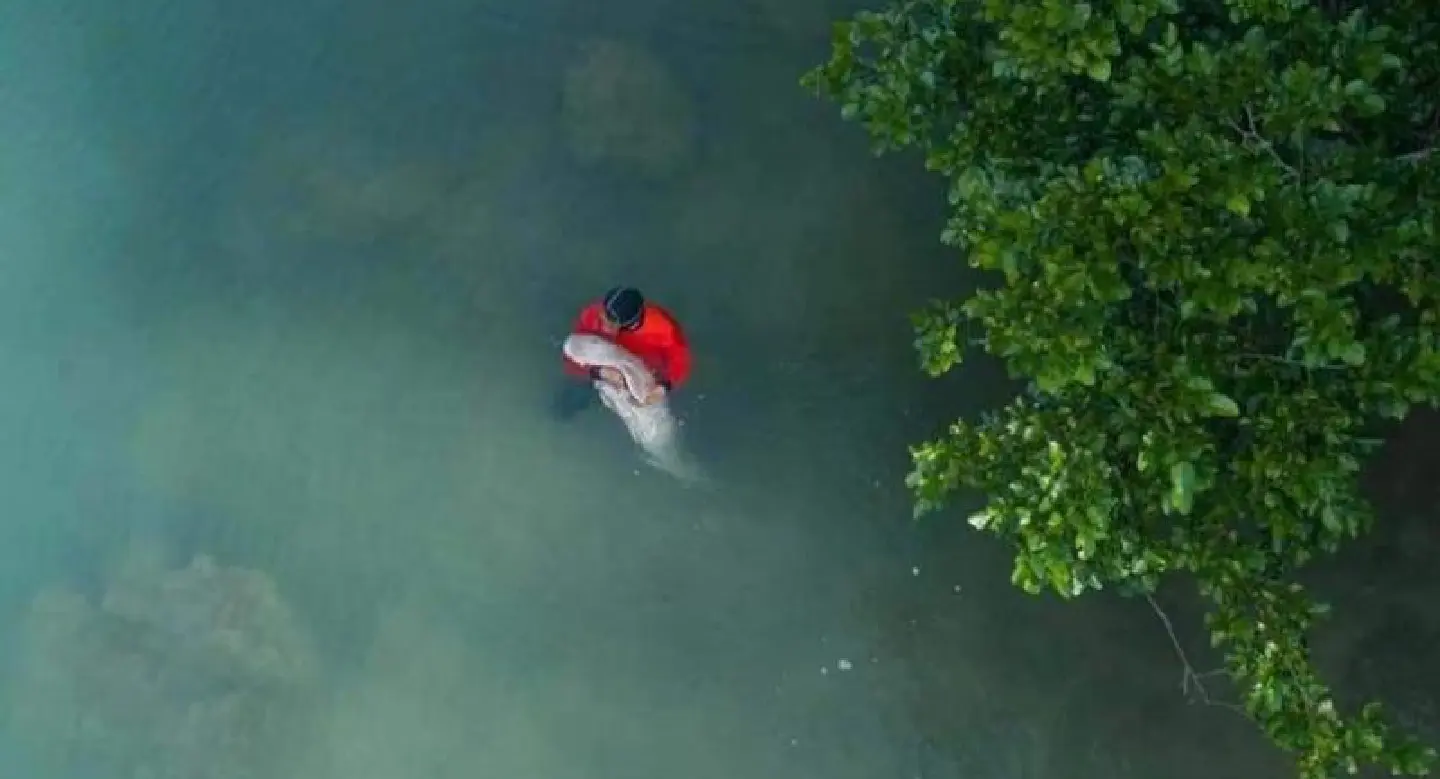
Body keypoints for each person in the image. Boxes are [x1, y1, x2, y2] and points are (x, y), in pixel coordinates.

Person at [554, 286, 692, 419]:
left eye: (609, 320)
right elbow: (572, 355)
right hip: (601, 368)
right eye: (603, 312)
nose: (601, 318)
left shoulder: (663, 330)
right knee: (565, 406)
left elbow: (680, 361)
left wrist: (663, 387)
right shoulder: (592, 315)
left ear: (628, 324)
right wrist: (599, 373)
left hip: (642, 374)